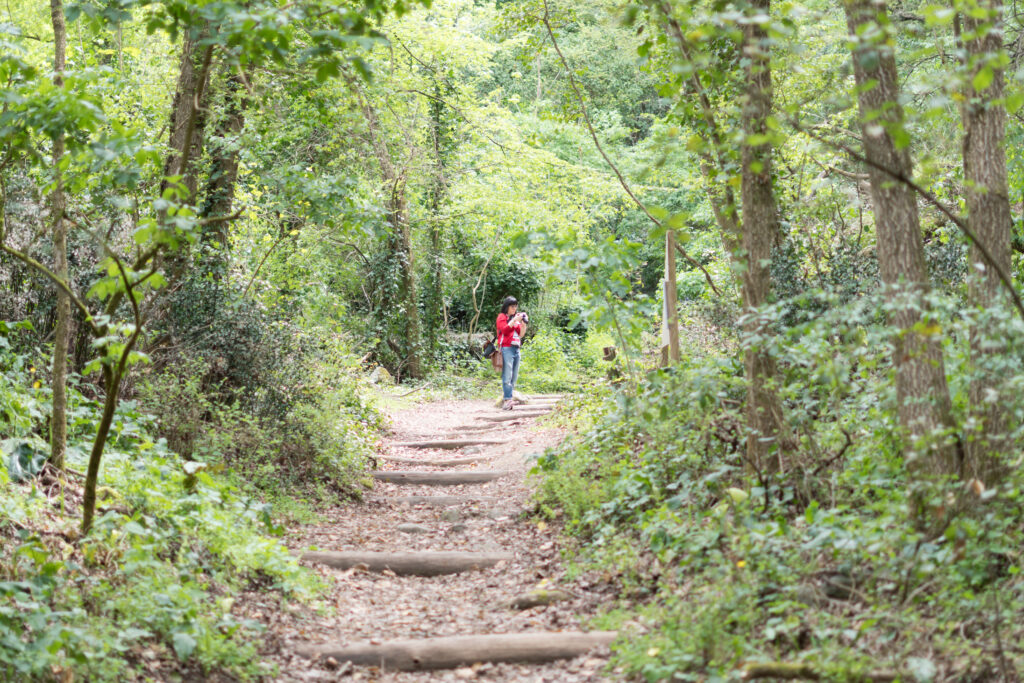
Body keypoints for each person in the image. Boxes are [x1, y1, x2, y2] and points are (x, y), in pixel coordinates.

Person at [496, 296, 527, 410]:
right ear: (507, 307)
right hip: (506, 348)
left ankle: (510, 399)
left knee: (514, 375)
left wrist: (523, 324)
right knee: (507, 375)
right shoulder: (502, 317)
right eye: (512, 306)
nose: (514, 309)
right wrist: (514, 321)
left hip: (516, 348)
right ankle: (507, 400)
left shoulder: (516, 319)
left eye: (516, 306)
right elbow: (503, 329)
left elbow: (521, 334)